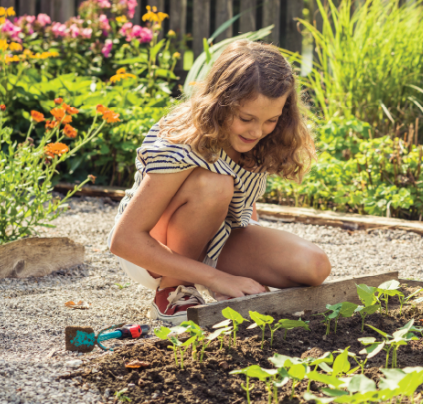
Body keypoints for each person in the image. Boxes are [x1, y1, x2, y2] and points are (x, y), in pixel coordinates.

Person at [108, 40, 331, 324]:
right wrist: (219, 278)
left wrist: (242, 271)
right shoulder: (184, 141)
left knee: (314, 266)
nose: (257, 131)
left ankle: (207, 280)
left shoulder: (261, 139)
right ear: (222, 103)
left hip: (214, 237)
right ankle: (174, 290)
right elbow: (124, 240)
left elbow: (242, 202)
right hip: (151, 251)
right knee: (214, 184)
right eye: (247, 118)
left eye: (271, 120)